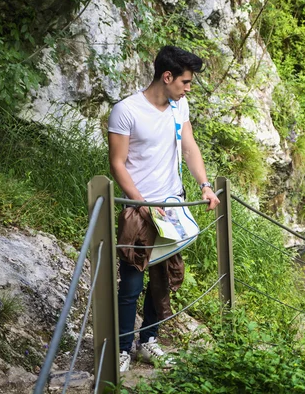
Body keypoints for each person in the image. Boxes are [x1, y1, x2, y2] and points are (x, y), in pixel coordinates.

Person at [108, 46, 220, 372]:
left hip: (172, 207)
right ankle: (121, 348)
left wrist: (205, 185)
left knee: (164, 279)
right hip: (138, 208)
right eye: (185, 82)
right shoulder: (126, 110)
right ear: (167, 76)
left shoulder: (179, 106)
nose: (189, 88)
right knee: (131, 283)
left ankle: (149, 341)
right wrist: (140, 203)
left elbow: (190, 147)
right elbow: (117, 164)